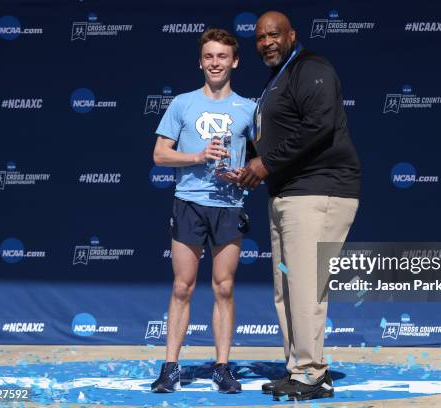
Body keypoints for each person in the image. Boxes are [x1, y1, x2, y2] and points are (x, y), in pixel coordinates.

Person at [238, 11, 361, 401]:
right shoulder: (278, 79)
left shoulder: (311, 67)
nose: (267, 42)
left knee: (305, 285)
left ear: (292, 34)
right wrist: (245, 161)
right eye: (260, 38)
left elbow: (319, 125)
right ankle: (298, 369)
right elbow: (279, 134)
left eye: (274, 34)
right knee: (287, 286)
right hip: (287, 193)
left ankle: (312, 373)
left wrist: (266, 162)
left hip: (319, 190)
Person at [151, 27, 255, 394]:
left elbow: (261, 162)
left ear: (235, 61)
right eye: (209, 56)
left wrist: (245, 173)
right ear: (200, 62)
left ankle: (222, 367)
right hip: (189, 202)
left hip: (229, 205)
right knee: (182, 286)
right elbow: (160, 155)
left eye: (222, 56)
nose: (215, 63)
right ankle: (170, 367)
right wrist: (196, 156)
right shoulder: (182, 103)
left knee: (224, 287)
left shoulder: (250, 108)